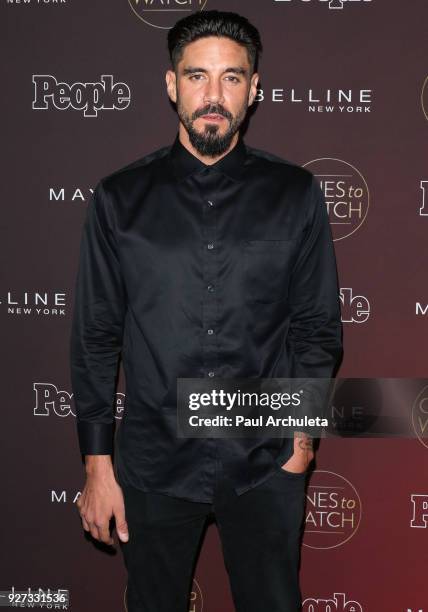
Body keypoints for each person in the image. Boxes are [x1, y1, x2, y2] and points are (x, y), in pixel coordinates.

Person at [70, 9, 343, 612]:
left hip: (265, 461)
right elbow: (95, 336)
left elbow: (318, 328)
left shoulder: (295, 193)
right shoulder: (119, 200)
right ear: (172, 86)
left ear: (255, 89)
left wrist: (302, 443)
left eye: (232, 78)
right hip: (152, 466)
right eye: (197, 77)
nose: (213, 95)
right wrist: (97, 464)